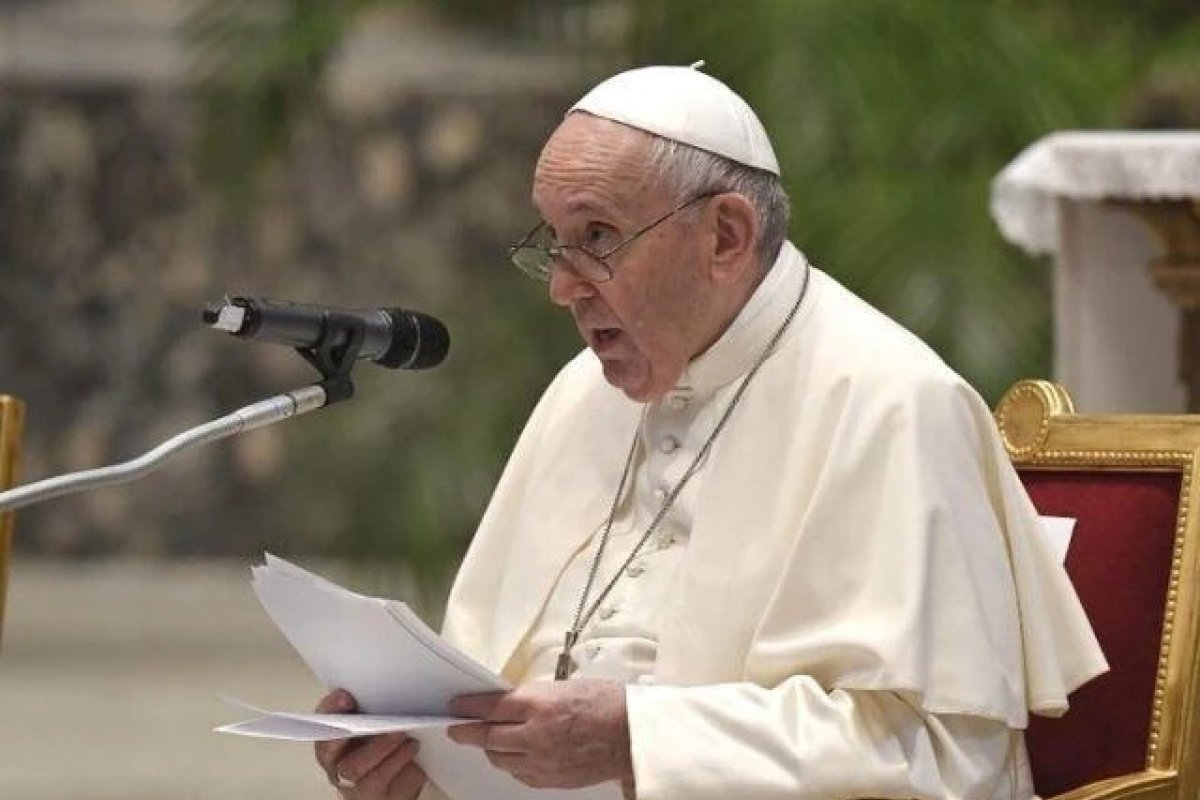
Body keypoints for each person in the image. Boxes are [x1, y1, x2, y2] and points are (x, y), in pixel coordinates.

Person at [313, 64, 1107, 800]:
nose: (561, 286)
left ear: (725, 237)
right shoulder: (579, 394)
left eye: (596, 238)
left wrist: (637, 741)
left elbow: (941, 760)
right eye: (552, 242)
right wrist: (415, 762)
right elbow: (490, 687)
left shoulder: (895, 403)